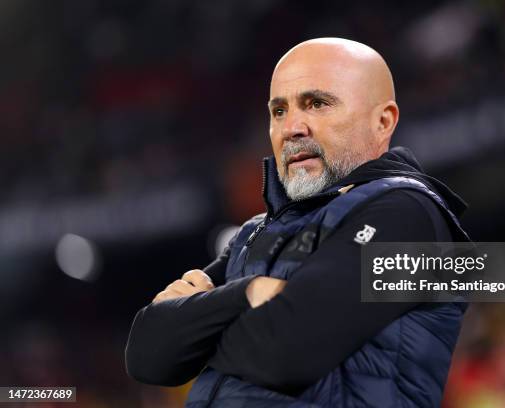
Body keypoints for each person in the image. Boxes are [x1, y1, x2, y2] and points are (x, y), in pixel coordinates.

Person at [125, 37, 471, 407]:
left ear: (382, 121)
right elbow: (148, 355)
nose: (292, 127)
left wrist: (198, 323)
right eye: (278, 111)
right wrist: (247, 293)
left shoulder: (407, 213)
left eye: (317, 103)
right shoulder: (253, 233)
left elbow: (286, 351)